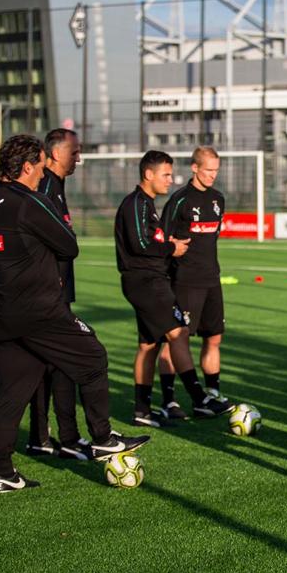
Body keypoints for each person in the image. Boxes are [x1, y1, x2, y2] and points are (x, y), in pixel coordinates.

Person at [0, 134, 147, 493]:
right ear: (26, 167)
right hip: (38, 310)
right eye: (40, 167)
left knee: (12, 391)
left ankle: (3, 471)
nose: (43, 174)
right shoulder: (30, 201)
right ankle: (102, 437)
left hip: (0, 312)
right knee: (93, 356)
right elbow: (69, 246)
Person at [113, 150, 220, 427]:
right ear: (149, 175)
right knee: (179, 332)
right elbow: (141, 244)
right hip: (145, 282)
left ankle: (141, 410)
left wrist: (167, 243)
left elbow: (150, 240)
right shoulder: (135, 203)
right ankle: (199, 397)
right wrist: (172, 247)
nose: (170, 180)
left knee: (148, 345)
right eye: (166, 174)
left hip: (152, 281)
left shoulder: (147, 204)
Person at [25, 128, 89, 461]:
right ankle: (66, 438)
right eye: (74, 152)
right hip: (50, 294)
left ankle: (43, 437)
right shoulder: (46, 185)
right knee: (63, 362)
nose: (78, 157)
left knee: (48, 365)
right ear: (54, 154)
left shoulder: (56, 186)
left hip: (56, 291)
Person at [156, 146, 234, 420]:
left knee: (214, 338)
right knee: (176, 339)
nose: (213, 175)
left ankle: (211, 394)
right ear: (195, 168)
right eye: (209, 170)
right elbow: (163, 238)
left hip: (212, 278)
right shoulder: (179, 200)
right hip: (185, 281)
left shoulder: (217, 199)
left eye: (216, 170)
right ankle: (169, 400)